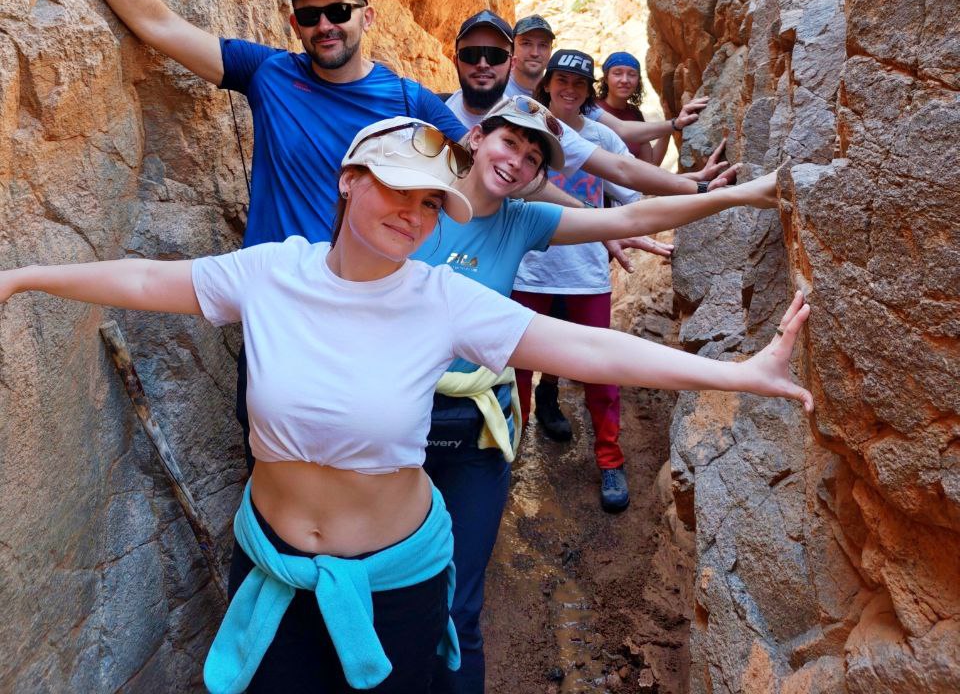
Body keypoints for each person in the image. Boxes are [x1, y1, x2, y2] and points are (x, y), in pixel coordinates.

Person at [0, 115, 813, 693]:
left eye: (430, 203)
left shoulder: (441, 298)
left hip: (395, 583)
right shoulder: (270, 273)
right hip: (272, 565)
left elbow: (590, 349)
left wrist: (741, 373)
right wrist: (23, 277)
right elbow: (146, 278)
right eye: (398, 188)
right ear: (349, 181)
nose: (415, 213)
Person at [0, 0, 467, 468]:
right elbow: (159, 26)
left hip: (369, 305)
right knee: (269, 449)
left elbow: (480, 175)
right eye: (309, 15)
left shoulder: (409, 102)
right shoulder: (270, 73)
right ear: (294, 24)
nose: (324, 25)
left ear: (366, 17)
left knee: (368, 449)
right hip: (278, 302)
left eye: (339, 11)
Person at [419, 94, 799, 692]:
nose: (516, 161)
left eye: (532, 157)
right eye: (508, 142)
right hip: (397, 419)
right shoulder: (413, 202)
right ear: (475, 138)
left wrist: (739, 195)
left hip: (475, 430)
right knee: (393, 590)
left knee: (459, 605)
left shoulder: (524, 221)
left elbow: (629, 220)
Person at [510, 50, 643, 512]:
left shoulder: (602, 138)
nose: (569, 89)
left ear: (589, 92)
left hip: (585, 275)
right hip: (529, 270)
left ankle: (610, 460)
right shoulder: (526, 128)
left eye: (579, 83)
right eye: (562, 80)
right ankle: (507, 456)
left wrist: (616, 230)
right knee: (514, 371)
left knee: (599, 371)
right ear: (547, 83)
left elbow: (630, 192)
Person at [444, 10, 734, 199]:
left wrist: (690, 173)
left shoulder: (548, 112)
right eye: (526, 43)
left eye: (542, 45)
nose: (483, 65)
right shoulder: (454, 106)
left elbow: (621, 160)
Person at [506, 13, 708, 163]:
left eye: (543, 45)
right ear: (512, 47)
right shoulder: (499, 90)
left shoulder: (571, 101)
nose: (535, 52)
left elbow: (622, 130)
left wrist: (674, 124)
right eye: (526, 43)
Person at [597, 51, 669, 166]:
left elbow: (650, 164)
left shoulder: (635, 114)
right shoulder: (591, 109)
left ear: (638, 81)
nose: (625, 80)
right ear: (606, 78)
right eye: (617, 73)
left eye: (632, 74)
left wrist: (669, 126)